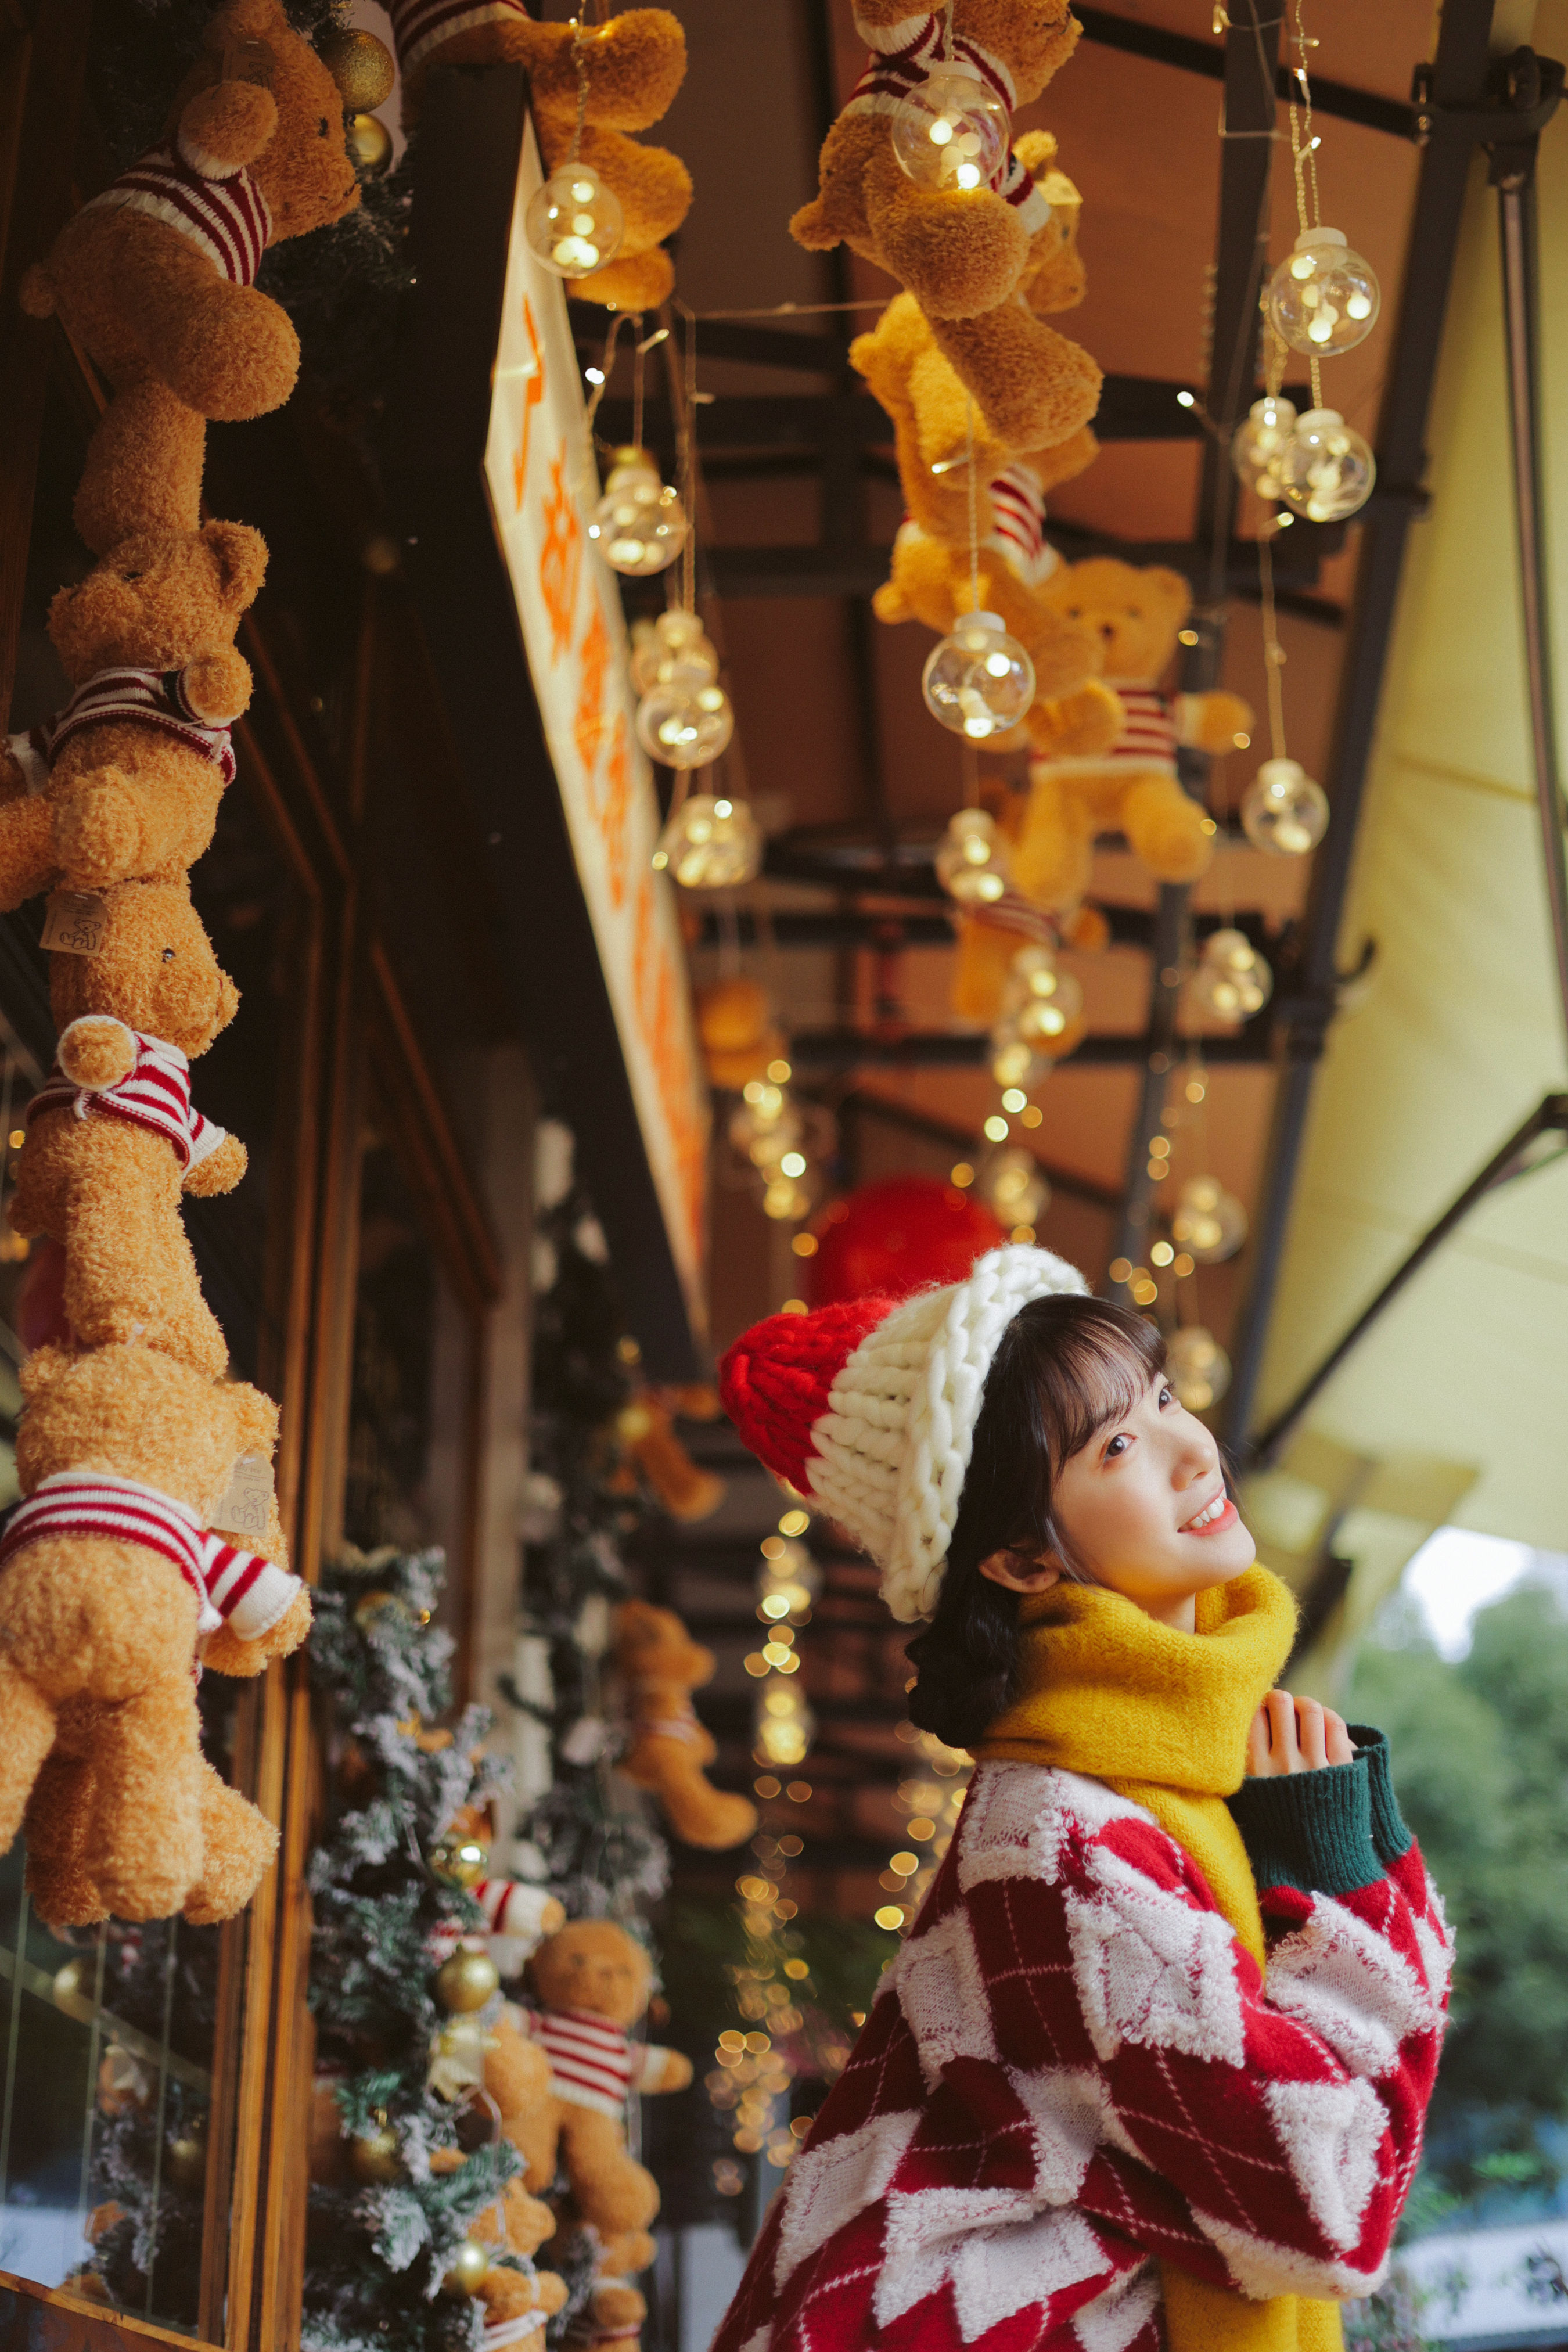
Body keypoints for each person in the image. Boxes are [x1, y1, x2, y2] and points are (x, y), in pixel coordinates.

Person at [713, 1245, 1450, 2352]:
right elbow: (1326, 2205)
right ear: (1018, 1558)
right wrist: (1347, 1882)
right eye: (1116, 1444)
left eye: (1161, 1397)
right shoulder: (1062, 1840)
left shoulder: (1156, 1777)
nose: (1192, 1449)